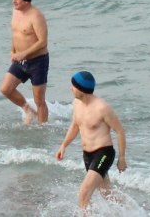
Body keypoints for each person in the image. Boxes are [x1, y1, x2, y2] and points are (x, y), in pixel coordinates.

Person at [54, 71, 127, 211]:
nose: (71, 88)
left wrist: (122, 158)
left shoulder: (102, 108)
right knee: (107, 194)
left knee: (83, 193)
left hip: (104, 153)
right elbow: (75, 125)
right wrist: (63, 145)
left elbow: (120, 131)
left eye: (73, 86)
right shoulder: (77, 103)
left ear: (82, 89)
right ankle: (132, 212)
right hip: (87, 155)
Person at [0, 0, 50, 124]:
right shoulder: (16, 12)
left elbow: (43, 42)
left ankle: (42, 128)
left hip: (38, 62)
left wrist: (24, 53)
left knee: (39, 100)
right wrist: (13, 50)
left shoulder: (36, 16)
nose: (14, 1)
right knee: (6, 89)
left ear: (27, 2)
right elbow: (16, 34)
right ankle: (28, 110)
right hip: (20, 61)